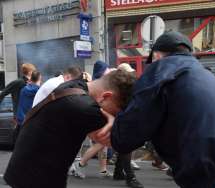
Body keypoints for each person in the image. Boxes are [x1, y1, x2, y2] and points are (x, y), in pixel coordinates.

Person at [94, 31, 215, 188]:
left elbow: (126, 137)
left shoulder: (160, 71)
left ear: (156, 55)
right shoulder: (206, 76)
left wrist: (114, 123)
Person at [4, 69, 136, 188]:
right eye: (116, 112)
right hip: (37, 179)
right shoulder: (85, 108)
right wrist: (112, 120)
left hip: (24, 171)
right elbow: (121, 142)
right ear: (106, 96)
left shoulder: (75, 86)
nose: (114, 115)